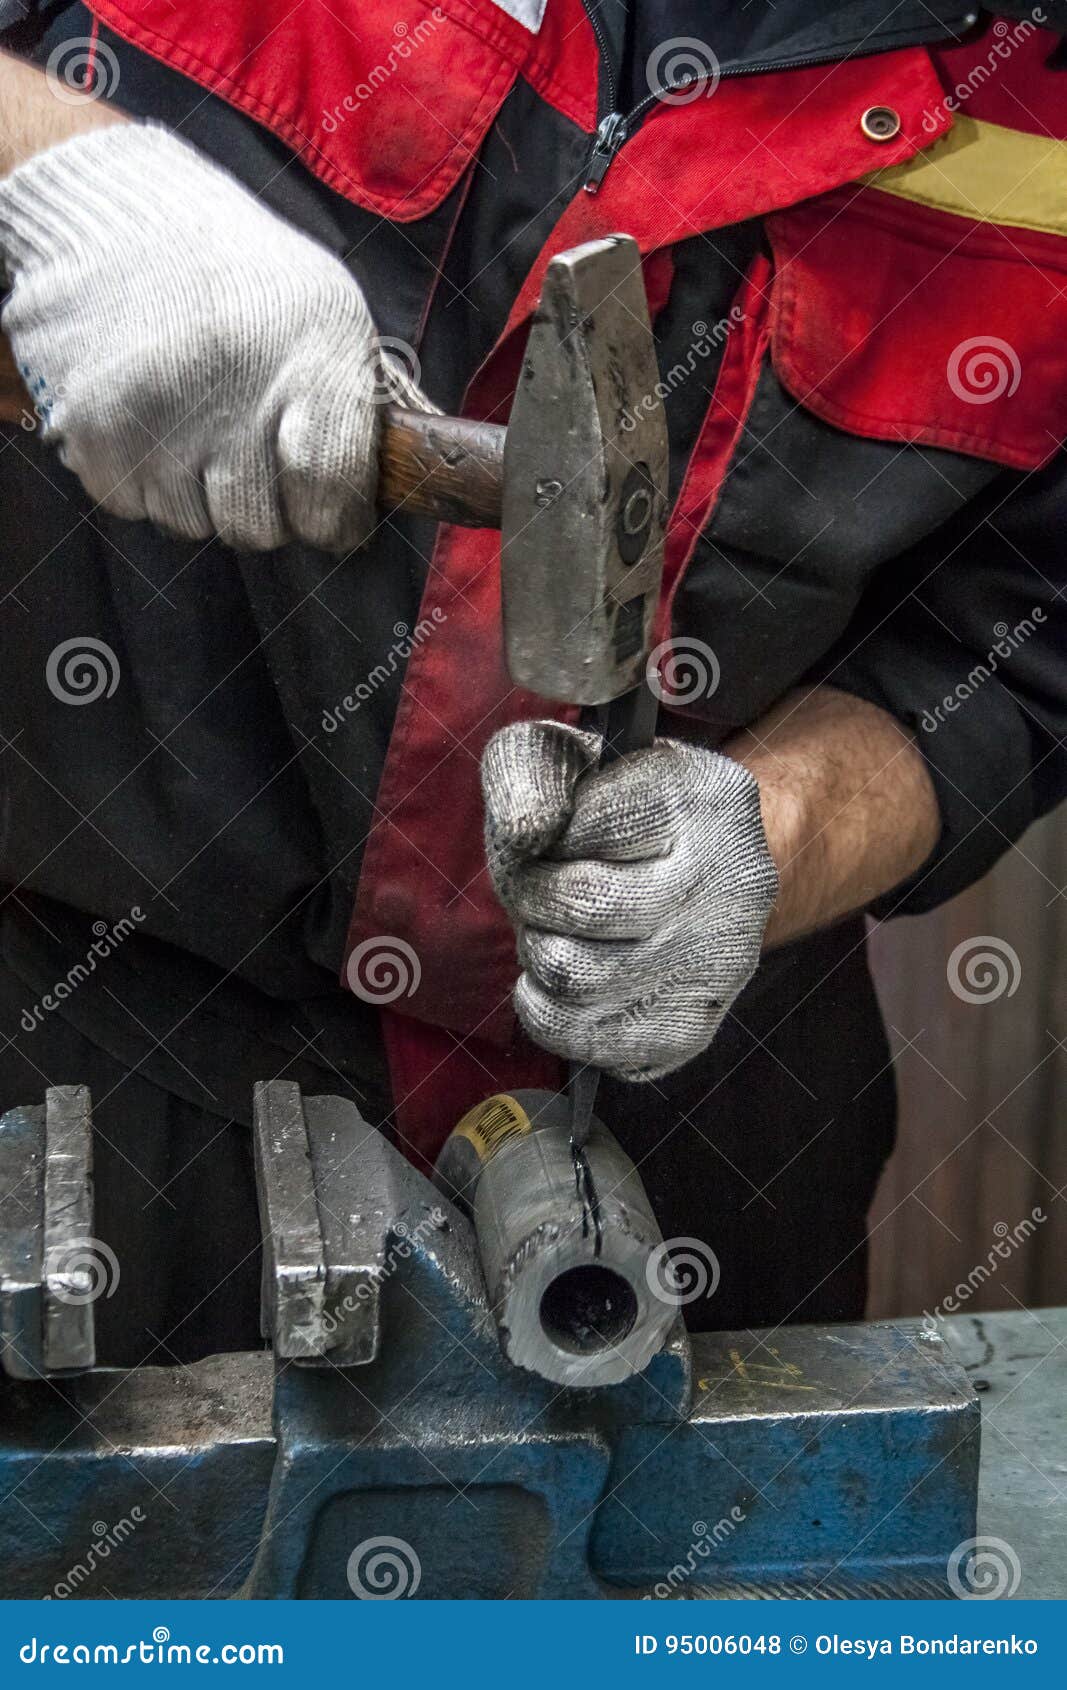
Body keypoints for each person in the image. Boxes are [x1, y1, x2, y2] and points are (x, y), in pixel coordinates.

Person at [0, 0, 1063, 1363]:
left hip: (681, 1122)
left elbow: (1018, 645)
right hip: (86, 1062)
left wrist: (770, 832)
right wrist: (52, 172)